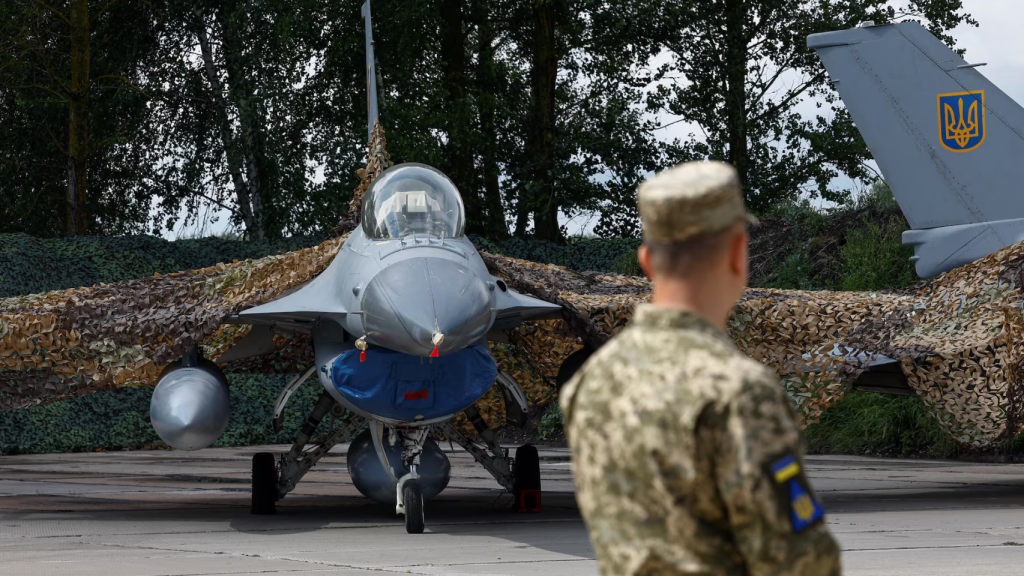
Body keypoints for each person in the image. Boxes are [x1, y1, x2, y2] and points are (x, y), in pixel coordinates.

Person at [560, 161, 841, 576]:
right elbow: (801, 563)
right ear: (737, 253)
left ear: (647, 261)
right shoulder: (737, 392)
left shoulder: (590, 383)